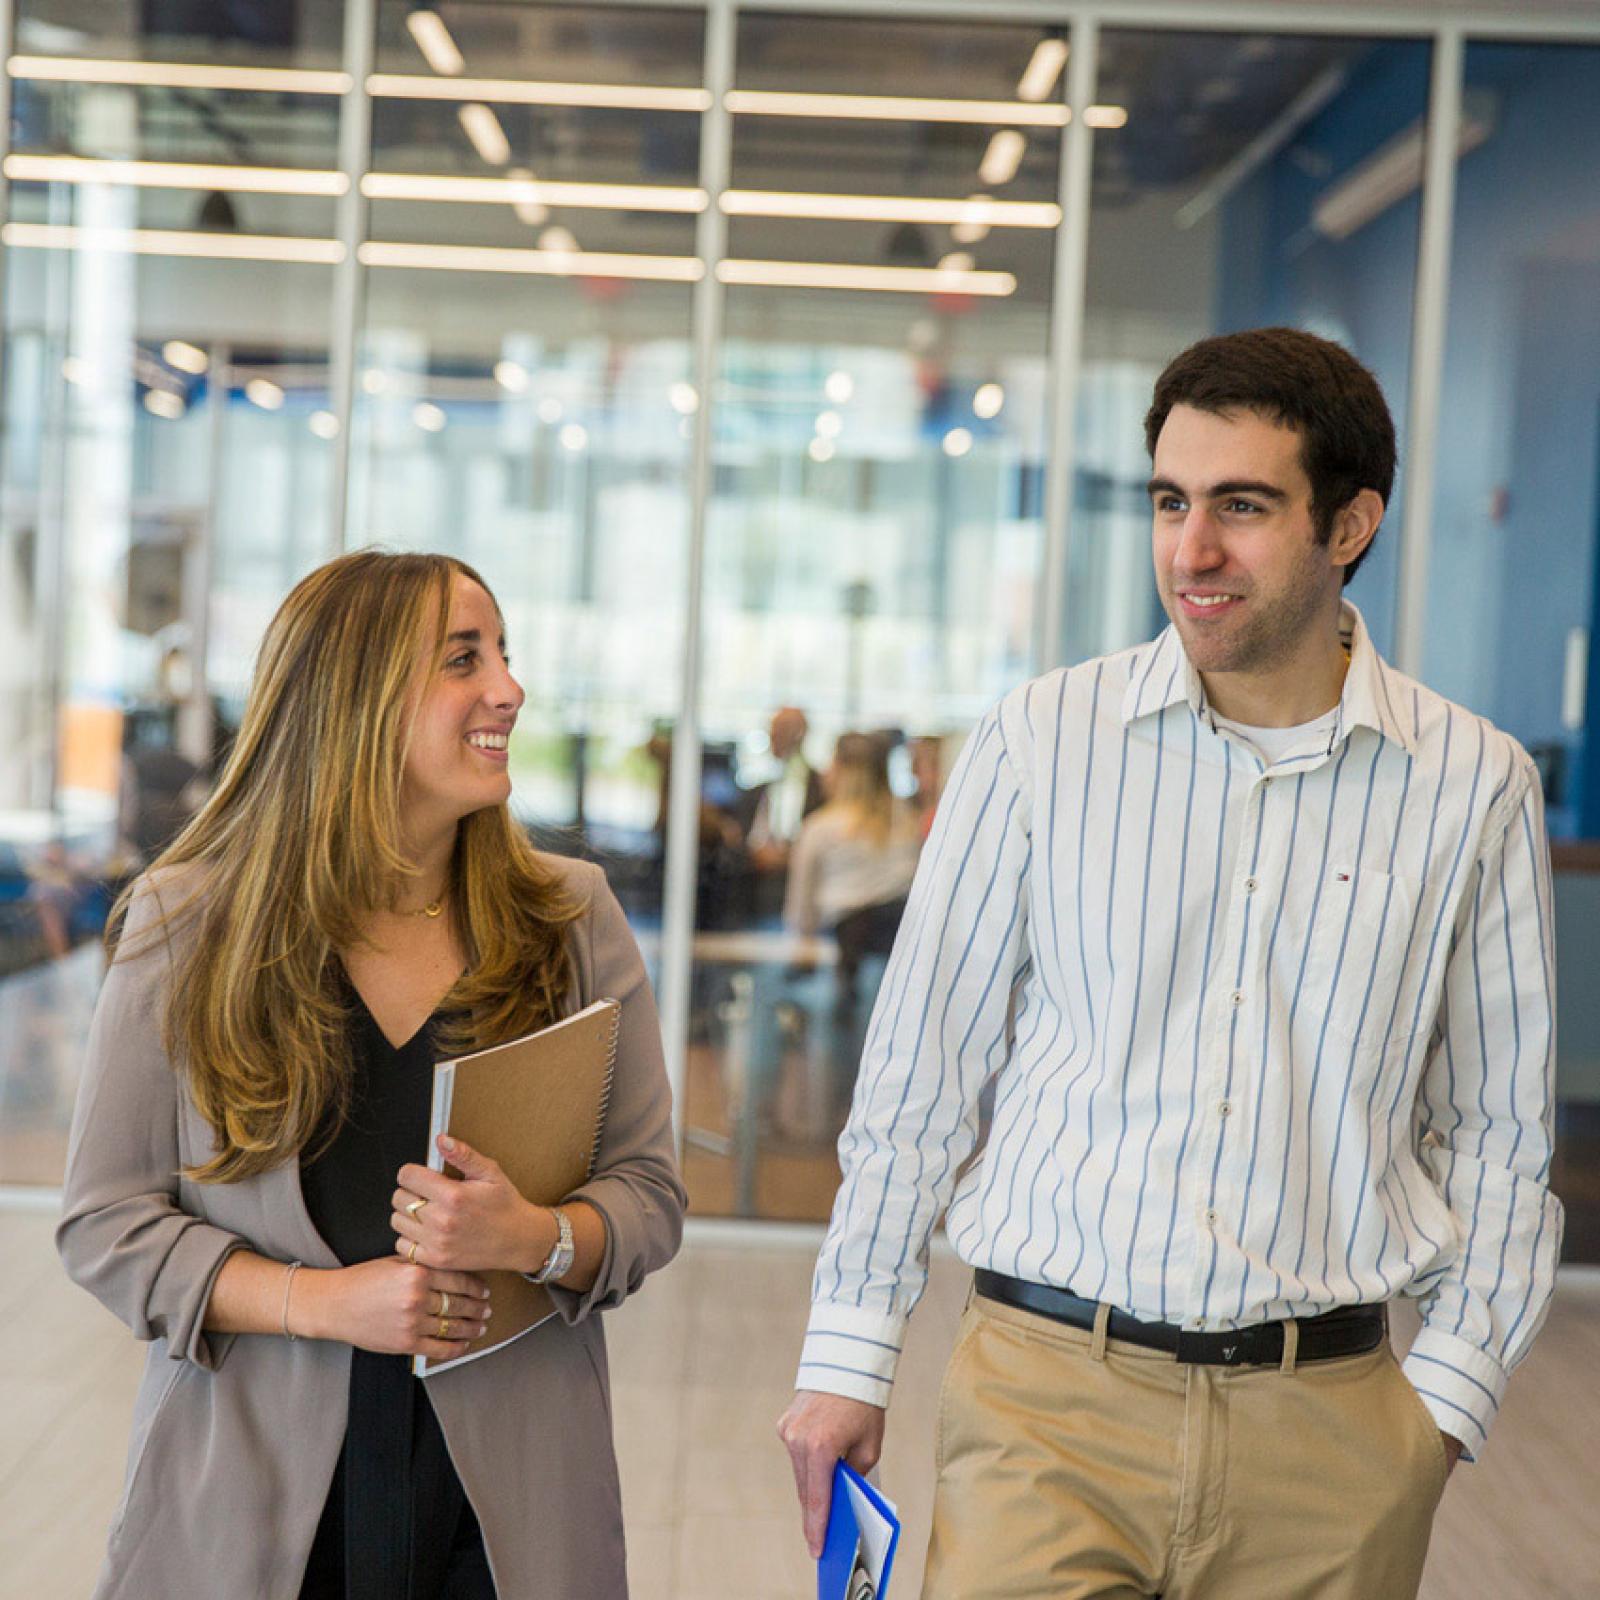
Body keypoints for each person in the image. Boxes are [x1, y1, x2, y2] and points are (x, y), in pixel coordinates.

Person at [778, 328, 1561, 1599]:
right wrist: (847, 1356)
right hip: (1046, 1404)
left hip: (1333, 1434)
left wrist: (1443, 1408)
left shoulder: (1472, 785)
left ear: (1348, 524)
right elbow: (921, 1071)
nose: (1189, 551)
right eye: (1169, 501)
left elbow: (1500, 1133)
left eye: (1241, 507)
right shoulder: (1042, 739)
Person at [58, 549, 686, 1600]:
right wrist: (323, 1303)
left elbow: (650, 1196)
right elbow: (104, 1221)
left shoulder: (569, 920)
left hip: (503, 1512)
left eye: (505, 654)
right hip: (250, 1500)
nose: (509, 689)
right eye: (462, 659)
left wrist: (531, 1235)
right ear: (354, 697)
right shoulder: (188, 922)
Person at [783, 731, 922, 1001]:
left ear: (843, 770)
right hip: (899, 960)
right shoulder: (908, 821)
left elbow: (800, 912)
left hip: (841, 956)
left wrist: (801, 942)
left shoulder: (821, 828)